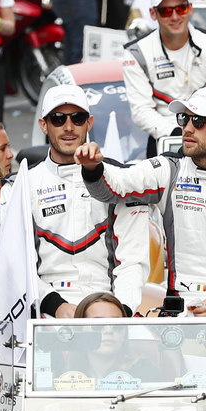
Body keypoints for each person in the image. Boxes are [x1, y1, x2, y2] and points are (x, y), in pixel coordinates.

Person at [78, 87, 206, 315]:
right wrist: (93, 168)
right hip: (180, 309)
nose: (188, 128)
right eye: (184, 118)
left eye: (199, 121)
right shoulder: (168, 169)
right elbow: (115, 187)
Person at [23, 84, 149, 316]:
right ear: (44, 125)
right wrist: (55, 306)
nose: (69, 127)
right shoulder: (23, 184)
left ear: (89, 122)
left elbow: (133, 259)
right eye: (58, 119)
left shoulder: (122, 179)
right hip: (44, 309)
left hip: (108, 305)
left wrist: (119, 314)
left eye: (78, 118)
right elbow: (16, 260)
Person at [122, 0, 206, 149]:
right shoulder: (135, 52)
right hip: (165, 138)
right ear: (153, 14)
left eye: (181, 9)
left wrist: (201, 131)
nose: (175, 16)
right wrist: (178, 133)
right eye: (166, 11)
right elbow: (141, 111)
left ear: (190, 8)